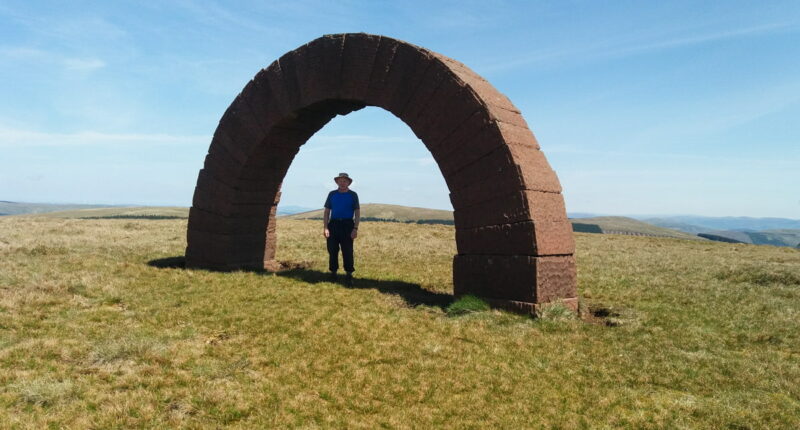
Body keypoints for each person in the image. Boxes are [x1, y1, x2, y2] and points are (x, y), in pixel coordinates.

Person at [323, 172, 360, 285]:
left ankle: (349, 274)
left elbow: (357, 213)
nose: (342, 183)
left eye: (345, 181)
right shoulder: (332, 194)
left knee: (347, 250)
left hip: (348, 225)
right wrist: (325, 228)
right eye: (340, 181)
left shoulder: (353, 195)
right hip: (333, 224)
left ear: (348, 182)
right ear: (337, 182)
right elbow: (327, 212)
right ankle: (333, 273)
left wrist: (355, 228)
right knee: (332, 250)